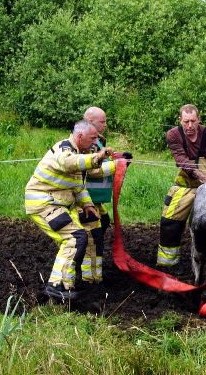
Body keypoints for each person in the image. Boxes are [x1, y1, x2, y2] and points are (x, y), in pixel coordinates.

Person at [25, 120, 118, 300]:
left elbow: (78, 187)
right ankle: (56, 286)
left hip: (56, 204)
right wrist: (97, 157)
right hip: (43, 203)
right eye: (92, 139)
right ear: (80, 136)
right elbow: (69, 163)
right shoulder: (64, 148)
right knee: (74, 237)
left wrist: (88, 204)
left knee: (82, 235)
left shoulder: (78, 152)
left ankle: (66, 285)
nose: (94, 144)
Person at [156, 104, 206, 269]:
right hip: (186, 186)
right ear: (180, 121)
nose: (190, 126)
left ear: (199, 120)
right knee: (169, 219)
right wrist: (200, 176)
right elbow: (181, 160)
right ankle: (168, 264)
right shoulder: (173, 135)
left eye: (193, 121)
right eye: (186, 122)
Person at [82, 106, 132, 286]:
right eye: (102, 121)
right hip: (85, 199)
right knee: (91, 237)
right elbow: (91, 171)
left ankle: (96, 275)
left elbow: (103, 161)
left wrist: (120, 158)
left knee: (102, 226)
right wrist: (117, 165)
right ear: (89, 121)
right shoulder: (85, 143)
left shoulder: (99, 141)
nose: (105, 125)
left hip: (97, 199)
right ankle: (88, 278)